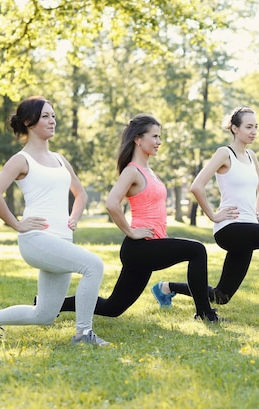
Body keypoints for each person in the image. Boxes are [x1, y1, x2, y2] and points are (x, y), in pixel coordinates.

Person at [0, 96, 109, 345]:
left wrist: (73, 217)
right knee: (93, 265)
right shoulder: (21, 160)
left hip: (61, 240)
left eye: (53, 115)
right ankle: (84, 334)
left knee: (44, 314)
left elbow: (81, 194)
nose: (52, 120)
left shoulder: (60, 159)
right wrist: (18, 224)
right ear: (29, 122)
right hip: (37, 240)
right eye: (45, 116)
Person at [59, 114, 220, 322]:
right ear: (138, 138)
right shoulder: (132, 171)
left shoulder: (149, 171)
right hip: (140, 247)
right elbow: (111, 203)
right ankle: (205, 313)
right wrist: (131, 231)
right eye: (154, 136)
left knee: (113, 307)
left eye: (159, 137)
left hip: (149, 246)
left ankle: (55, 304)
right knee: (197, 250)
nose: (159, 142)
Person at [152, 106, 259, 314]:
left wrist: (257, 214)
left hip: (247, 229)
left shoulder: (251, 156)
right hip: (229, 228)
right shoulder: (225, 153)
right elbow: (197, 186)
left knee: (221, 296)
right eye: (248, 126)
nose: (254, 131)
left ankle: (166, 288)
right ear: (234, 128)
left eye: (256, 127)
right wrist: (213, 215)